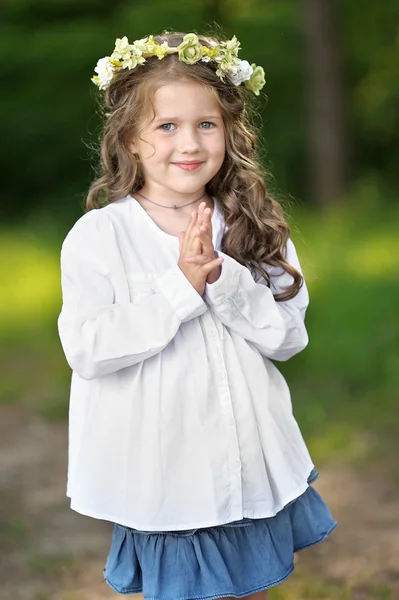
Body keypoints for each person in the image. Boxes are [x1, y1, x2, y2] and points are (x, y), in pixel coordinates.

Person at [57, 30, 337, 600]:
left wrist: (224, 278)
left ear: (229, 132)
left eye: (206, 124)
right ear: (131, 139)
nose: (189, 143)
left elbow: (287, 337)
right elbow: (86, 348)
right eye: (167, 126)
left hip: (247, 460)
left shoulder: (252, 226)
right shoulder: (101, 235)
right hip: (165, 476)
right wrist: (180, 288)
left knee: (250, 587)